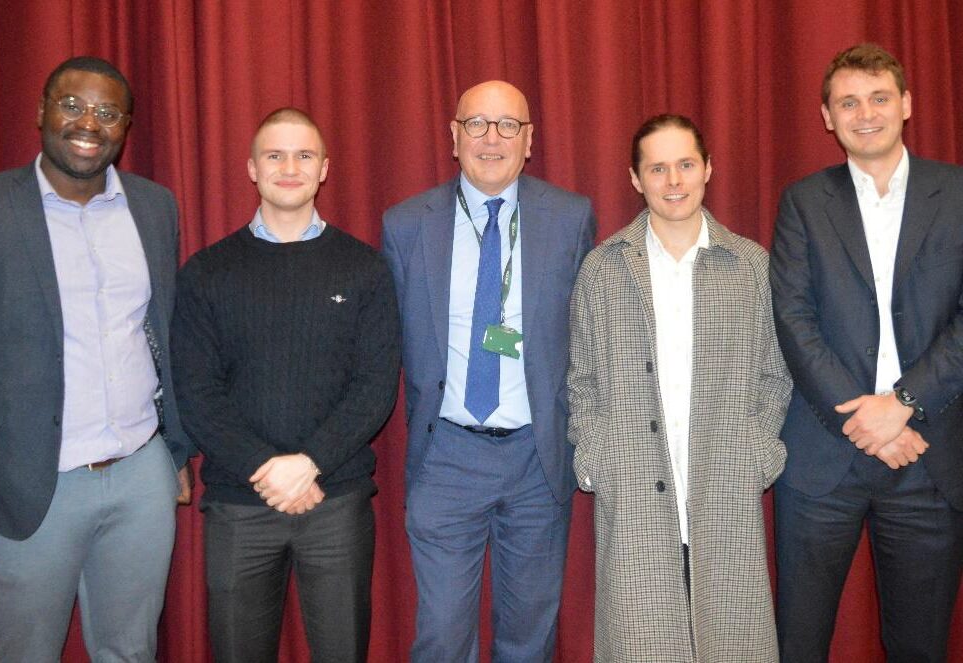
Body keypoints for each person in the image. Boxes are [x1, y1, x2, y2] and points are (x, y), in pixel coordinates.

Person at [0, 56, 193, 662]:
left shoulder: (155, 207)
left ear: (126, 126)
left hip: (140, 478)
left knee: (131, 652)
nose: (89, 123)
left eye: (108, 113)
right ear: (41, 113)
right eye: (72, 105)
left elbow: (161, 335)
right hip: (27, 489)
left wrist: (175, 450)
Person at [171, 107, 400, 663]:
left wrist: (310, 462)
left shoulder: (364, 267)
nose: (290, 167)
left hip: (335, 502)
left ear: (325, 168)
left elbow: (375, 385)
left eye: (304, 155)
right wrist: (269, 470)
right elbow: (197, 392)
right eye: (275, 155)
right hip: (239, 504)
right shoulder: (206, 272)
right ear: (252, 168)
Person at [382, 80, 595, 662]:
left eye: (508, 126)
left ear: (530, 141)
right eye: (477, 124)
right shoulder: (406, 224)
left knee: (529, 635)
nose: (492, 138)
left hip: (536, 457)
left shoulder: (571, 217)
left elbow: (590, 339)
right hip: (447, 455)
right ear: (454, 137)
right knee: (443, 635)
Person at [568, 114, 791, 661]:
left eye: (686, 165)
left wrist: (759, 454)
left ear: (708, 169)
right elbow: (582, 381)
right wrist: (597, 458)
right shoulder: (604, 269)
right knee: (641, 642)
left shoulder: (750, 267)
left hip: (726, 489)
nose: (673, 181)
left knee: (735, 640)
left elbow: (775, 376)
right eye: (658, 168)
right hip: (634, 490)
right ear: (635, 179)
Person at [770, 43, 963, 662]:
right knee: (800, 644)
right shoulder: (803, 201)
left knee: (919, 648)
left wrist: (903, 405)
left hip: (928, 460)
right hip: (824, 459)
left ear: (906, 104)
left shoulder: (957, 193)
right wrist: (868, 421)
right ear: (827, 117)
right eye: (848, 102)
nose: (866, 113)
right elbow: (794, 321)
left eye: (879, 97)